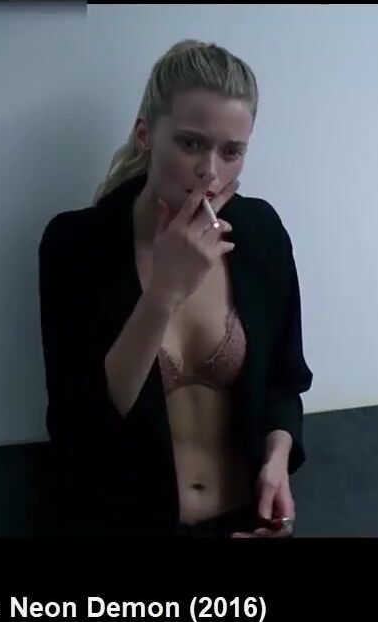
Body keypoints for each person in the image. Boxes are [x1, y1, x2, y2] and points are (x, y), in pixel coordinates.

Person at [37, 40, 311, 538]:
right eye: (190, 144)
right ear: (145, 134)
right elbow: (81, 425)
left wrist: (276, 464)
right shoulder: (76, 245)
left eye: (231, 152)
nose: (210, 171)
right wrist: (163, 293)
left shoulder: (260, 234)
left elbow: (283, 382)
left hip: (243, 523)